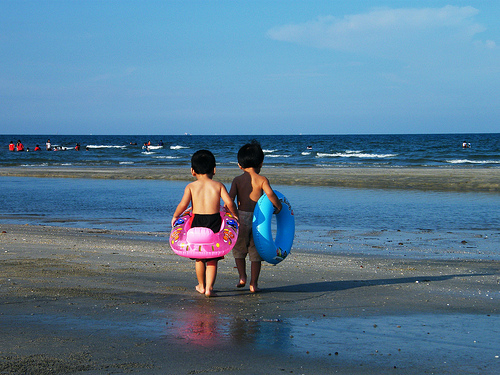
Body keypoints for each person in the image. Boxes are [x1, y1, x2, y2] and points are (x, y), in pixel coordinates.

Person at [171, 150, 238, 297]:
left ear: (192, 171)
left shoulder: (191, 186)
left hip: (197, 221)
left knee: (199, 256)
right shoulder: (218, 185)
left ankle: (201, 286)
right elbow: (229, 203)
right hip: (214, 221)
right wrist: (235, 215)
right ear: (214, 169)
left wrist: (176, 216)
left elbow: (183, 204)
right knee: (213, 256)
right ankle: (209, 288)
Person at [228, 140, 282, 293]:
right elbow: (270, 194)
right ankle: (253, 284)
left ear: (239, 165)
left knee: (239, 250)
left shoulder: (237, 180)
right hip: (258, 220)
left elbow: (230, 199)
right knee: (255, 252)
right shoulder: (262, 179)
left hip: (240, 218)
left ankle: (242, 277)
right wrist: (278, 206)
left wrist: (228, 214)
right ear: (261, 163)